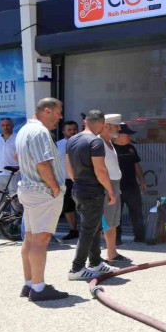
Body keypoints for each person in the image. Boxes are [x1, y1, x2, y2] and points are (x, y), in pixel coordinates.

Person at [14, 98, 68, 301]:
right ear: (47, 111)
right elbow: (42, 164)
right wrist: (55, 187)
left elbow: (19, 158)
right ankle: (38, 288)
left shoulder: (24, 130)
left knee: (30, 237)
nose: (60, 117)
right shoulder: (40, 132)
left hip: (29, 189)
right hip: (42, 192)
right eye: (58, 112)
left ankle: (29, 284)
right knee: (41, 239)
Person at [66, 110, 118, 281]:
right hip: (92, 192)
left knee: (94, 227)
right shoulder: (96, 141)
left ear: (85, 122)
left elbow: (69, 167)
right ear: (102, 123)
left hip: (78, 189)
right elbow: (100, 170)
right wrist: (110, 191)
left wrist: (78, 182)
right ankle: (77, 268)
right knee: (88, 230)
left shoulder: (72, 140)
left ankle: (95, 262)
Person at [98, 114, 130, 263]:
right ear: (107, 126)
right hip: (107, 186)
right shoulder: (99, 143)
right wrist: (109, 189)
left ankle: (112, 253)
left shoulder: (109, 142)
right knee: (106, 221)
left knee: (113, 221)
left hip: (114, 185)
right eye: (116, 126)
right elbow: (100, 169)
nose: (119, 128)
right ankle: (101, 256)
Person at [114, 123, 147, 243]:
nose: (130, 137)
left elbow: (136, 165)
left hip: (132, 186)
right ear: (118, 135)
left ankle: (140, 236)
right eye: (127, 134)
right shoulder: (110, 148)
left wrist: (142, 181)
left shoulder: (131, 148)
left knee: (137, 212)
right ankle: (116, 239)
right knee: (116, 214)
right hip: (116, 187)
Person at [56, 121, 79, 240]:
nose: (72, 132)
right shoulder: (57, 145)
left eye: (74, 129)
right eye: (69, 129)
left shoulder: (83, 143)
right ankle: (73, 230)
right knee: (67, 206)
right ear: (63, 131)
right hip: (65, 180)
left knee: (85, 206)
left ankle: (92, 231)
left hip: (81, 180)